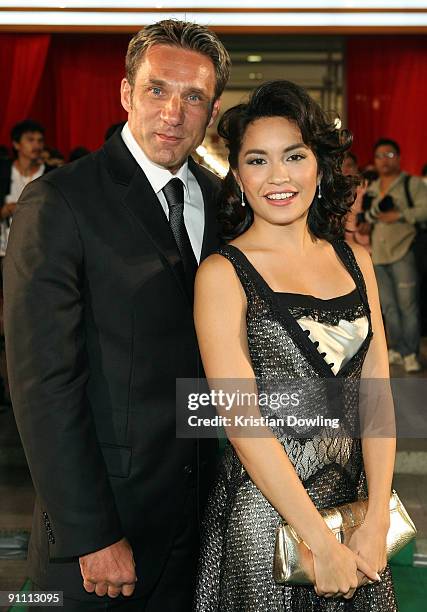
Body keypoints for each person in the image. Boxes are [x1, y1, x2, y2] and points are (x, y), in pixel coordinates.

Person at [3, 19, 231, 611]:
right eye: (157, 89)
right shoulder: (59, 202)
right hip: (101, 536)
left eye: (194, 97)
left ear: (213, 109)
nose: (173, 113)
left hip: (204, 522)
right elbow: (42, 384)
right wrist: (92, 533)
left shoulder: (222, 199)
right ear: (126, 92)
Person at [194, 81, 397, 610]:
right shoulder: (223, 273)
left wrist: (375, 519)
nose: (278, 176)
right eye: (257, 160)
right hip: (266, 522)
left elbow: (376, 393)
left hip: (355, 518)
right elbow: (240, 417)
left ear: (320, 166)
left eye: (295, 156)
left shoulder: (357, 261)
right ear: (237, 175)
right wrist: (319, 539)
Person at [364, 138, 427, 373]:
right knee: (389, 307)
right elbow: (367, 219)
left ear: (399, 158)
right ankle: (397, 349)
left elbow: (425, 209)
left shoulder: (411, 184)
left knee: (408, 305)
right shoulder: (372, 187)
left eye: (390, 155)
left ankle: (411, 352)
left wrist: (401, 215)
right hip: (379, 255)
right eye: (380, 156)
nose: (384, 161)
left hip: (403, 250)